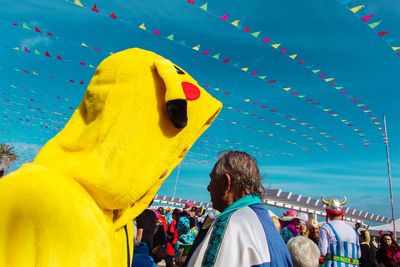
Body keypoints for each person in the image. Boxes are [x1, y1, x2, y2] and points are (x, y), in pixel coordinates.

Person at [0, 48, 222, 266]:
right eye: (166, 144)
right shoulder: (26, 195)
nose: (166, 162)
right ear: (128, 126)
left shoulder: (120, 220)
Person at [186, 151, 293, 266]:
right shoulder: (272, 230)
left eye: (212, 180)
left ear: (225, 183)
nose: (208, 187)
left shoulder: (228, 225)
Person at [319, 196, 361, 266]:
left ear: (328, 213)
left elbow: (322, 252)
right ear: (341, 213)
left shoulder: (326, 228)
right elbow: (359, 255)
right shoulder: (353, 230)